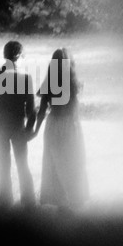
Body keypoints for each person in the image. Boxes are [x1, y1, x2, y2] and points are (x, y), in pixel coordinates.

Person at [33, 48, 89, 211]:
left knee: (54, 163)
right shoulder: (75, 83)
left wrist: (35, 131)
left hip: (55, 125)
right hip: (71, 126)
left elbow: (42, 111)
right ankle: (76, 197)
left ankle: (61, 200)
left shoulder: (49, 83)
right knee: (73, 161)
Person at [0, 41, 36, 208]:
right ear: (19, 56)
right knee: (22, 164)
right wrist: (29, 129)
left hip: (0, 126)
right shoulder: (25, 78)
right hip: (18, 126)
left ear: (4, 55)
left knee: (3, 165)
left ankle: (4, 200)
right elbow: (31, 109)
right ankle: (28, 201)